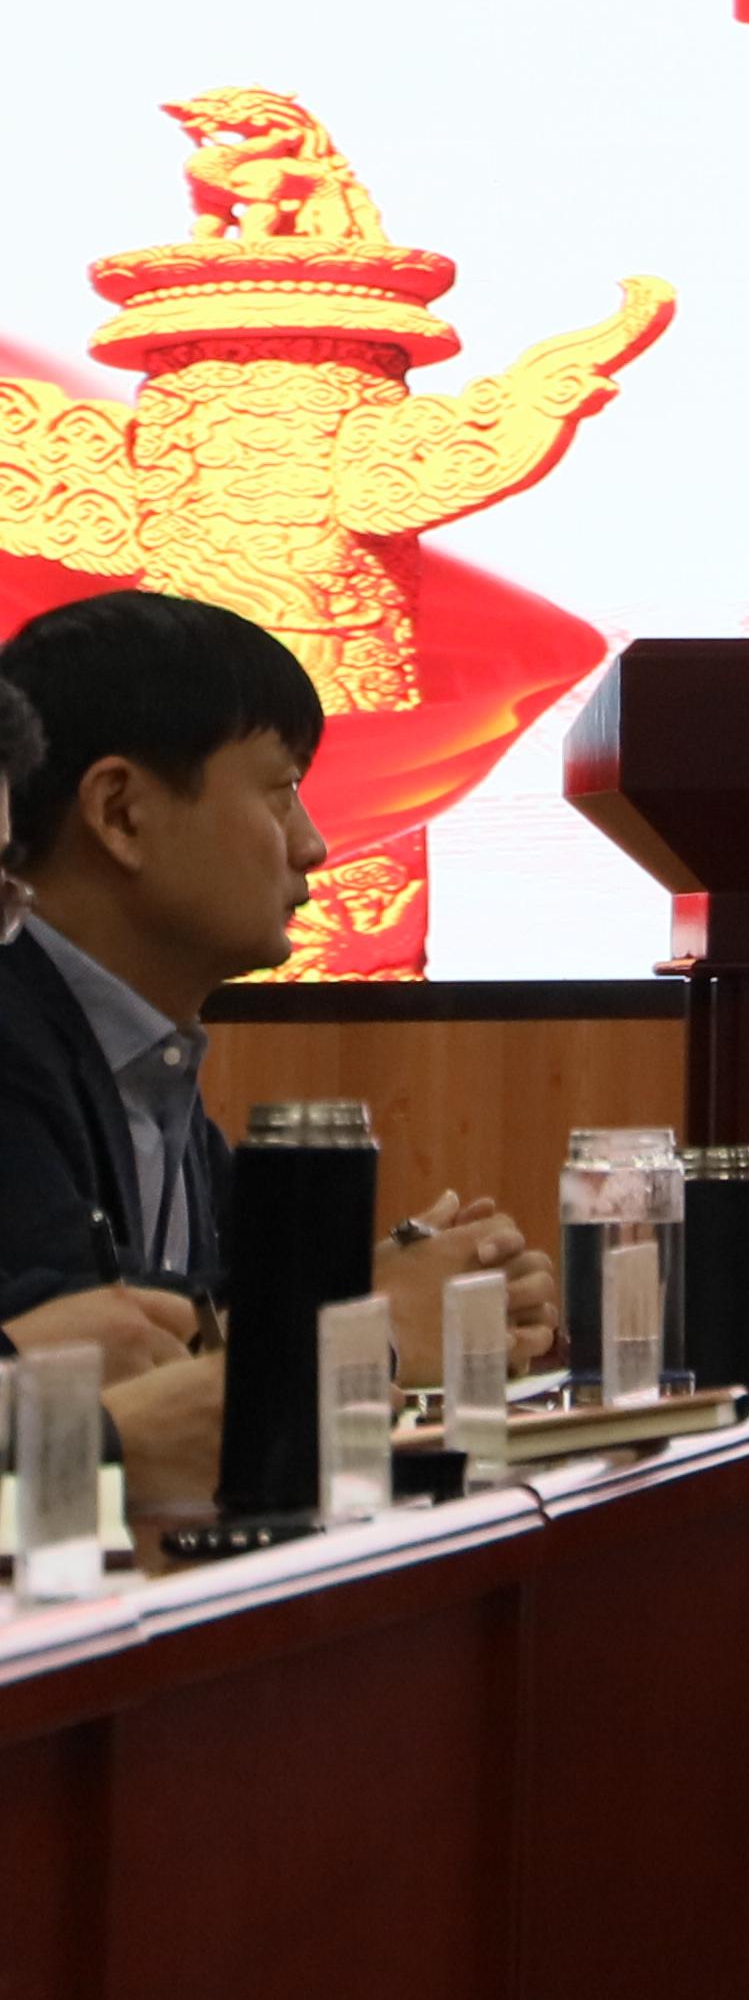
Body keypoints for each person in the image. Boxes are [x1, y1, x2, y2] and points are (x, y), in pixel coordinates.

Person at [0, 591, 557, 1533]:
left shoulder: (151, 1058)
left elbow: (209, 1315)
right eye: (280, 788)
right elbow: (88, 1350)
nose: (314, 844)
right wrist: (374, 1326)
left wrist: (398, 1290)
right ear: (121, 813)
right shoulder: (15, 1034)